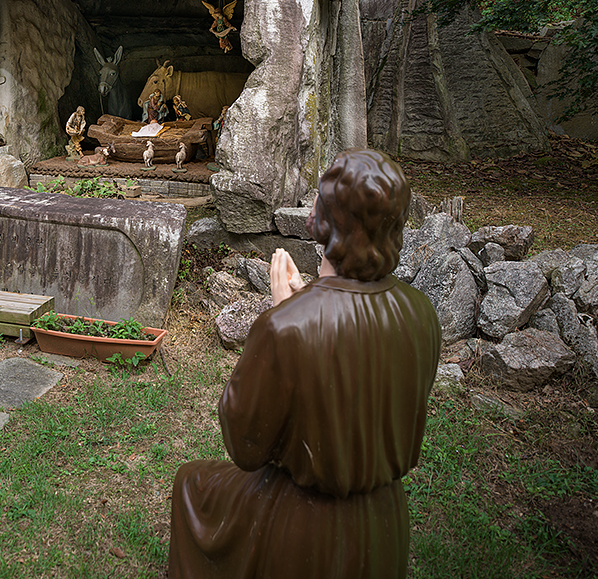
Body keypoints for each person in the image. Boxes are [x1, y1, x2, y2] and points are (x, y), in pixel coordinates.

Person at [168, 148, 442, 578]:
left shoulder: (286, 328)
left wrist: (283, 314)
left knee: (191, 483)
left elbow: (245, 445)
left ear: (327, 219)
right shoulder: (421, 312)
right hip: (386, 522)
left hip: (303, 528)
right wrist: (305, 300)